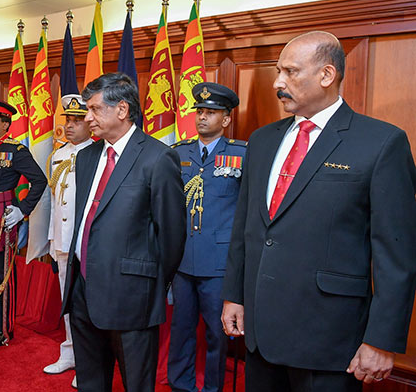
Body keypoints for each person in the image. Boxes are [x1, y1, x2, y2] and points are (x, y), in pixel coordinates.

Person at [221, 31, 416, 391]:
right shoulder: (263, 140)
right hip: (260, 333)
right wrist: (234, 294)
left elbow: (397, 253)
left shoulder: (381, 142)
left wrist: (382, 339)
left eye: (290, 72)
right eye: (279, 71)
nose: (278, 82)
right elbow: (245, 227)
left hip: (329, 338)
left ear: (327, 75)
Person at [61, 72, 186, 391]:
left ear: (122, 110)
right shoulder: (87, 156)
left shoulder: (158, 157)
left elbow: (172, 236)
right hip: (82, 291)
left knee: (136, 383)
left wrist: (149, 283)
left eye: (94, 109)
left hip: (133, 296)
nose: (87, 117)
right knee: (90, 380)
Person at [168, 82, 246, 392]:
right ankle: (180, 386)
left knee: (217, 334)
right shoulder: (178, 153)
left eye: (210, 112)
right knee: (182, 330)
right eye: (199, 111)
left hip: (219, 265)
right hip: (183, 260)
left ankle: (213, 388)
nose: (202, 118)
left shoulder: (242, 154)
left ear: (225, 119)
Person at [0, 98, 47, 348]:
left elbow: (39, 181)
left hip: (2, 219)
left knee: (3, 275)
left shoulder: (15, 151)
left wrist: (21, 210)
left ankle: (4, 328)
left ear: (6, 124)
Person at [43, 94, 93, 388]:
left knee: (87, 305)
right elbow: (54, 203)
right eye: (68, 120)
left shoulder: (99, 154)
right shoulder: (59, 155)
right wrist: (52, 241)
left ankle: (88, 360)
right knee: (67, 302)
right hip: (62, 241)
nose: (71, 126)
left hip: (85, 242)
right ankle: (69, 352)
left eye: (77, 120)